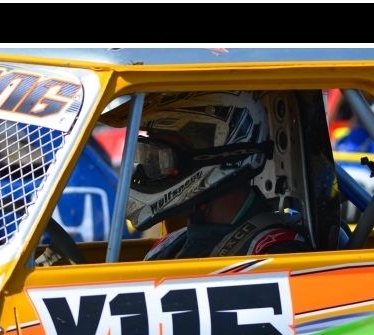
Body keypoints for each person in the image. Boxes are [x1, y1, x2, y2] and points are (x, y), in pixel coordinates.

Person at [124, 91, 311, 260]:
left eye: (160, 158)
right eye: (147, 156)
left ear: (216, 154)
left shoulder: (278, 254)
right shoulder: (168, 246)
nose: (147, 170)